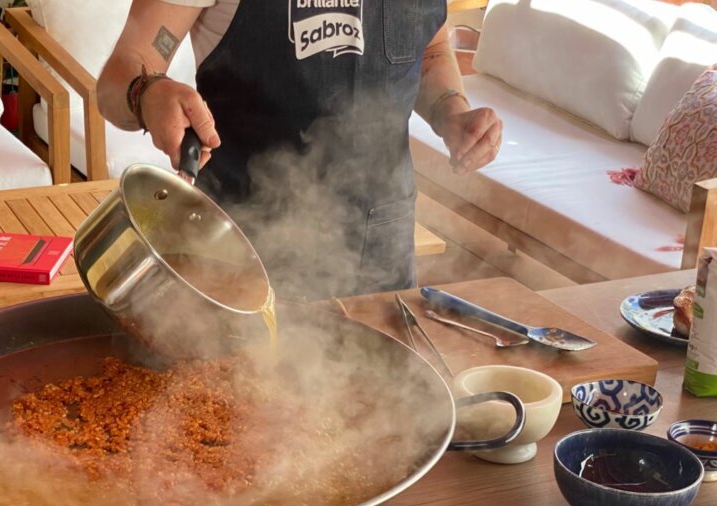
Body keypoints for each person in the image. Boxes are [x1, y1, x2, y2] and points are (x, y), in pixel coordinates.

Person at [99, 0, 503, 299]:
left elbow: (429, 50)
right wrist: (146, 91)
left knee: (382, 402)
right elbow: (121, 72)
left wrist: (451, 109)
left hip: (382, 247)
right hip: (246, 246)